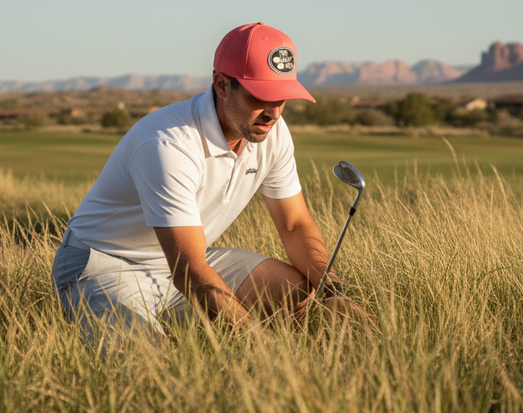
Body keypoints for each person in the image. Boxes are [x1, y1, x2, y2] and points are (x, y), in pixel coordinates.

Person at [52, 22, 372, 336]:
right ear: (222, 85)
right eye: (261, 96)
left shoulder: (272, 132)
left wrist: (333, 292)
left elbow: (293, 224)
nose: (274, 113)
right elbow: (188, 270)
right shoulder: (168, 143)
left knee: (302, 298)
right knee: (152, 364)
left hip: (186, 261)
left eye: (282, 98)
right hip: (105, 266)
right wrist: (266, 354)